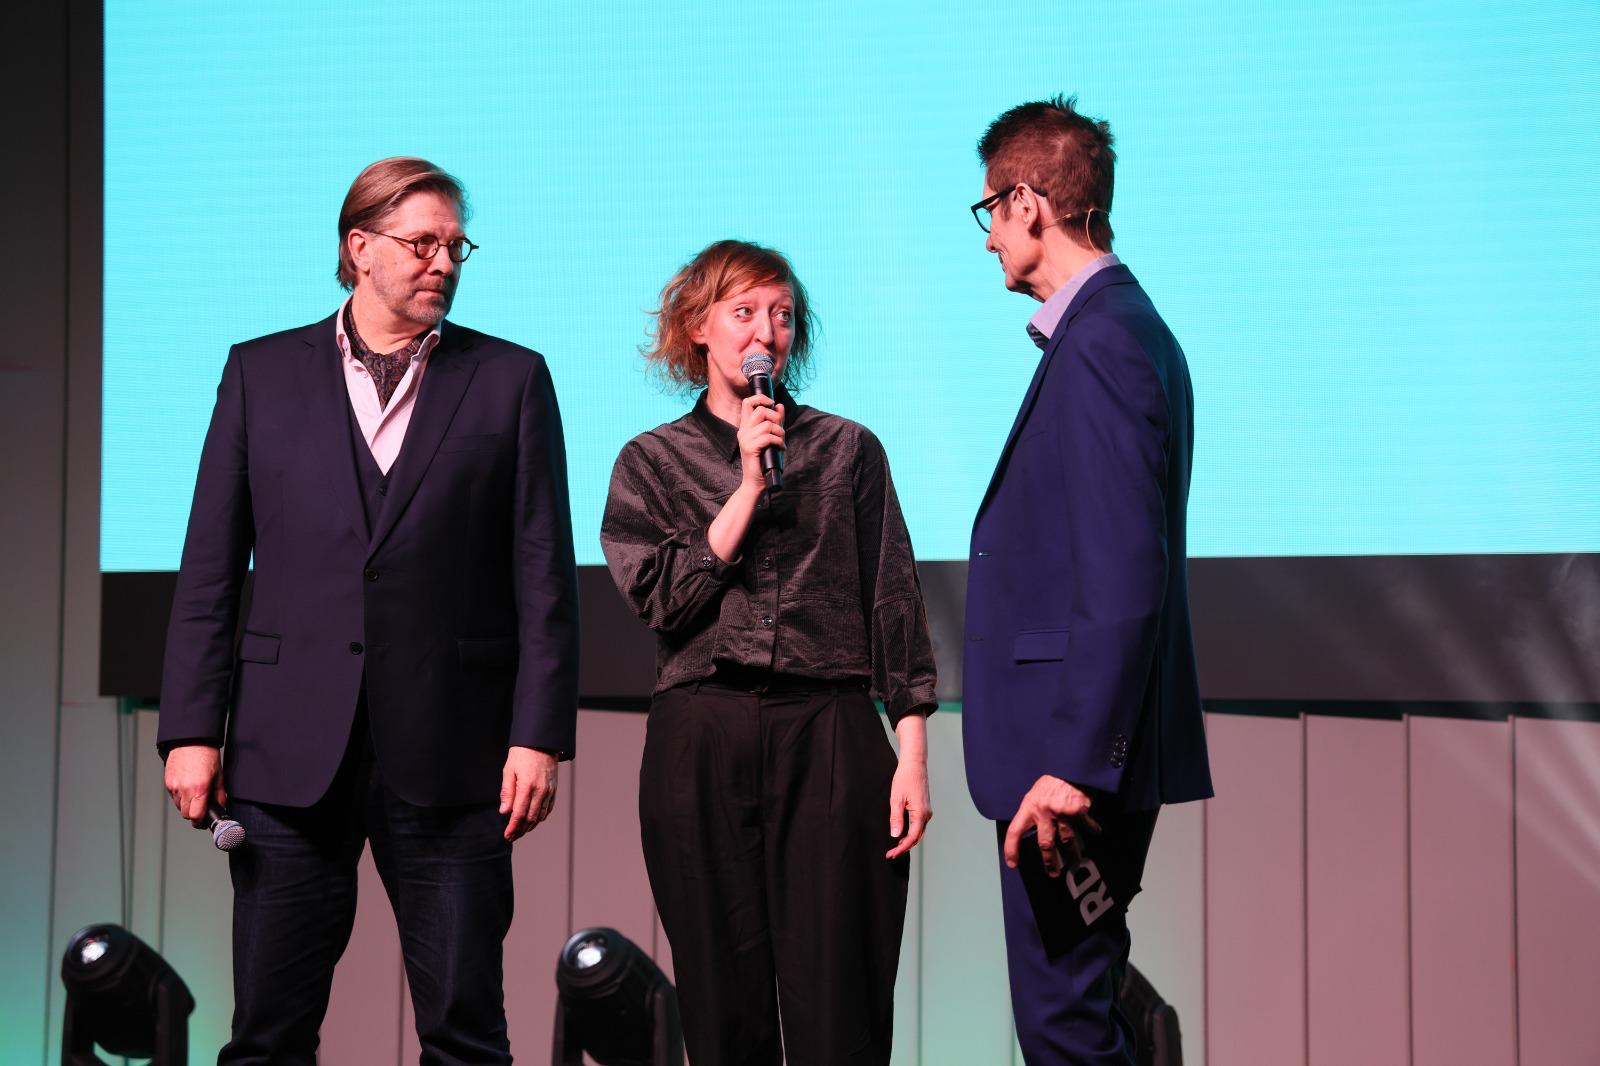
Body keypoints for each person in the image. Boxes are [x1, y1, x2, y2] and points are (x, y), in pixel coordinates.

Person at [158, 156, 580, 1065]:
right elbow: (209, 569)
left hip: (454, 748)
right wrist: (190, 729)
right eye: (422, 243)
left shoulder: (509, 379)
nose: (444, 262)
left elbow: (544, 575)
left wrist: (538, 735)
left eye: (456, 246)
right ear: (359, 247)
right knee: (267, 1034)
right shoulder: (260, 373)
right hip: (286, 749)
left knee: (466, 1034)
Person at [600, 239, 935, 1066]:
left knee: (842, 1004)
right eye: (745, 312)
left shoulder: (849, 449)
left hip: (829, 731)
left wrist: (914, 755)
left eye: (783, 315)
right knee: (724, 1008)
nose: (766, 332)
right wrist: (749, 486)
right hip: (702, 733)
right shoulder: (651, 462)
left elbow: (892, 602)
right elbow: (663, 601)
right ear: (698, 327)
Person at [961, 97, 1214, 1064]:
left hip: (1070, 768)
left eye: (989, 211)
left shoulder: (1104, 341)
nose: (989, 238)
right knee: (1077, 1011)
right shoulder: (1123, 331)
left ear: (1027, 202)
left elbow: (1124, 573)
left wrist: (1073, 765)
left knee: (1065, 1023)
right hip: (1079, 759)